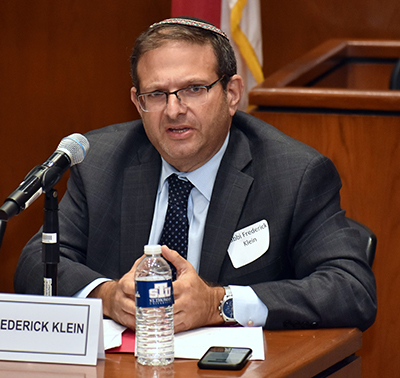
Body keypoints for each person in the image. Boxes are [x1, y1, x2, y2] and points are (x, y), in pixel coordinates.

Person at [14, 17, 377, 333]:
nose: (174, 110)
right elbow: (36, 263)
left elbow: (351, 289)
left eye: (193, 89)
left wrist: (219, 304)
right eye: (156, 94)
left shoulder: (293, 174)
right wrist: (107, 296)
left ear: (232, 93)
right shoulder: (100, 162)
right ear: (138, 102)